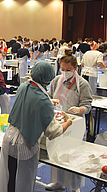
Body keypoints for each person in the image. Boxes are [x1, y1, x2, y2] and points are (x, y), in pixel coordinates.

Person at [0, 61, 73, 192]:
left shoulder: (23, 86)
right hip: (25, 145)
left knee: (10, 178)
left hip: (9, 138)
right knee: (23, 182)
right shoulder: (43, 101)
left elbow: (30, 102)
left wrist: (48, 101)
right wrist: (69, 122)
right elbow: (54, 131)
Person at [46, 50, 92, 192]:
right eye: (62, 69)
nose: (65, 72)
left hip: (75, 123)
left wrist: (79, 110)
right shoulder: (56, 80)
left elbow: (88, 105)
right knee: (57, 152)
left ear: (75, 69)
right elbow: (47, 95)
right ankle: (58, 182)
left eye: (68, 70)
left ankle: (74, 186)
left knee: (73, 155)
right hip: (59, 120)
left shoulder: (82, 84)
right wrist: (50, 100)